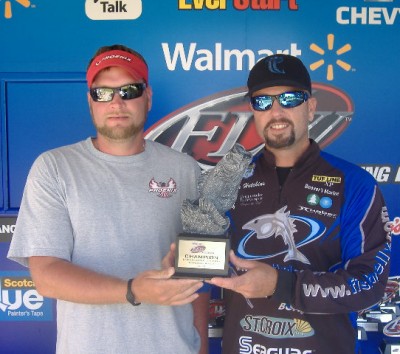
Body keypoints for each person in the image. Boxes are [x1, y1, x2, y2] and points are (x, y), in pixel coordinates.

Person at [7, 44, 209, 354]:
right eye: (103, 93)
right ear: (90, 101)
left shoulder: (184, 170)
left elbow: (199, 275)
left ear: (148, 97)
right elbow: (46, 275)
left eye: (129, 91)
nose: (116, 102)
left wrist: (201, 345)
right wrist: (132, 290)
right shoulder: (54, 167)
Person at [208, 54, 392, 354]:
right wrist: (184, 265)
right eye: (263, 102)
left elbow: (369, 282)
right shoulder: (229, 181)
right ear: (254, 111)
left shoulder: (354, 184)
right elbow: (205, 258)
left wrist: (282, 285)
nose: (276, 111)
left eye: (290, 98)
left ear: (311, 107)